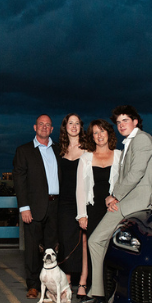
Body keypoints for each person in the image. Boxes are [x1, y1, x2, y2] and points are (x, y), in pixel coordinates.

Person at [82, 105, 152, 303]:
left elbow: (136, 174)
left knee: (95, 240)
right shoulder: (129, 143)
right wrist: (115, 197)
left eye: (125, 120)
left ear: (135, 121)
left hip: (134, 203)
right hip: (127, 201)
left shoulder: (142, 139)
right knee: (102, 242)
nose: (121, 125)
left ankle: (99, 295)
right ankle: (96, 293)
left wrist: (115, 196)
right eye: (118, 122)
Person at [11, 113, 61, 300]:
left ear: (52, 129)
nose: (44, 127)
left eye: (48, 124)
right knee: (32, 248)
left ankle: (51, 285)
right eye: (41, 124)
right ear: (35, 127)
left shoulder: (59, 150)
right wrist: (24, 207)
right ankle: (33, 286)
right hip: (33, 207)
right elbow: (19, 180)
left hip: (56, 206)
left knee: (52, 248)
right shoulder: (24, 151)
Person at [73, 118, 121, 303]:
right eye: (95, 133)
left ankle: (112, 294)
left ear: (108, 133)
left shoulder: (120, 156)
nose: (99, 135)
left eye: (102, 131)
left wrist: (117, 199)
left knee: (112, 251)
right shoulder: (86, 158)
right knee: (95, 251)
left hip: (114, 209)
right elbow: (80, 189)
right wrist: (82, 215)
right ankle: (96, 294)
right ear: (91, 137)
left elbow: (126, 183)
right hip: (93, 210)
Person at [55, 114, 90, 285]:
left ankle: (83, 280)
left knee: (83, 241)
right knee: (66, 240)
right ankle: (67, 280)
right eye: (71, 123)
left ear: (81, 127)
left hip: (83, 199)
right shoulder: (60, 149)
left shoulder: (88, 148)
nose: (74, 126)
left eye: (77, 123)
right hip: (65, 201)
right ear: (65, 126)